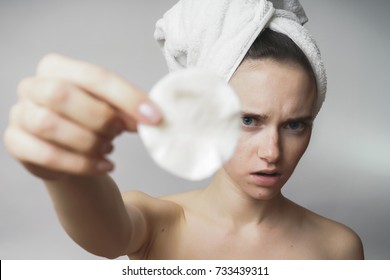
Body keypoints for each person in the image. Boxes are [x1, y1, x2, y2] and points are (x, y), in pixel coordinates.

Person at [3, 0, 364, 259]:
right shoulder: (160, 223)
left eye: (295, 124)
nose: (272, 152)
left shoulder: (339, 249)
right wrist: (67, 170)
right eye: (248, 120)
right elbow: (108, 235)